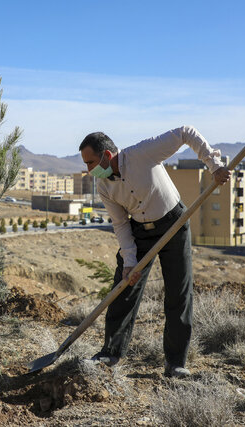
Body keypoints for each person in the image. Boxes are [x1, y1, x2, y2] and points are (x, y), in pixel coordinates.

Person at [79, 126, 231, 378]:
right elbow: (120, 224)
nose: (89, 170)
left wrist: (213, 165)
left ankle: (175, 363)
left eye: (91, 162)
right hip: (141, 232)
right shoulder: (104, 186)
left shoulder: (142, 153)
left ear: (106, 155)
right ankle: (110, 353)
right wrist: (129, 261)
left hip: (174, 223)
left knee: (178, 294)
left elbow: (185, 132)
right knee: (124, 287)